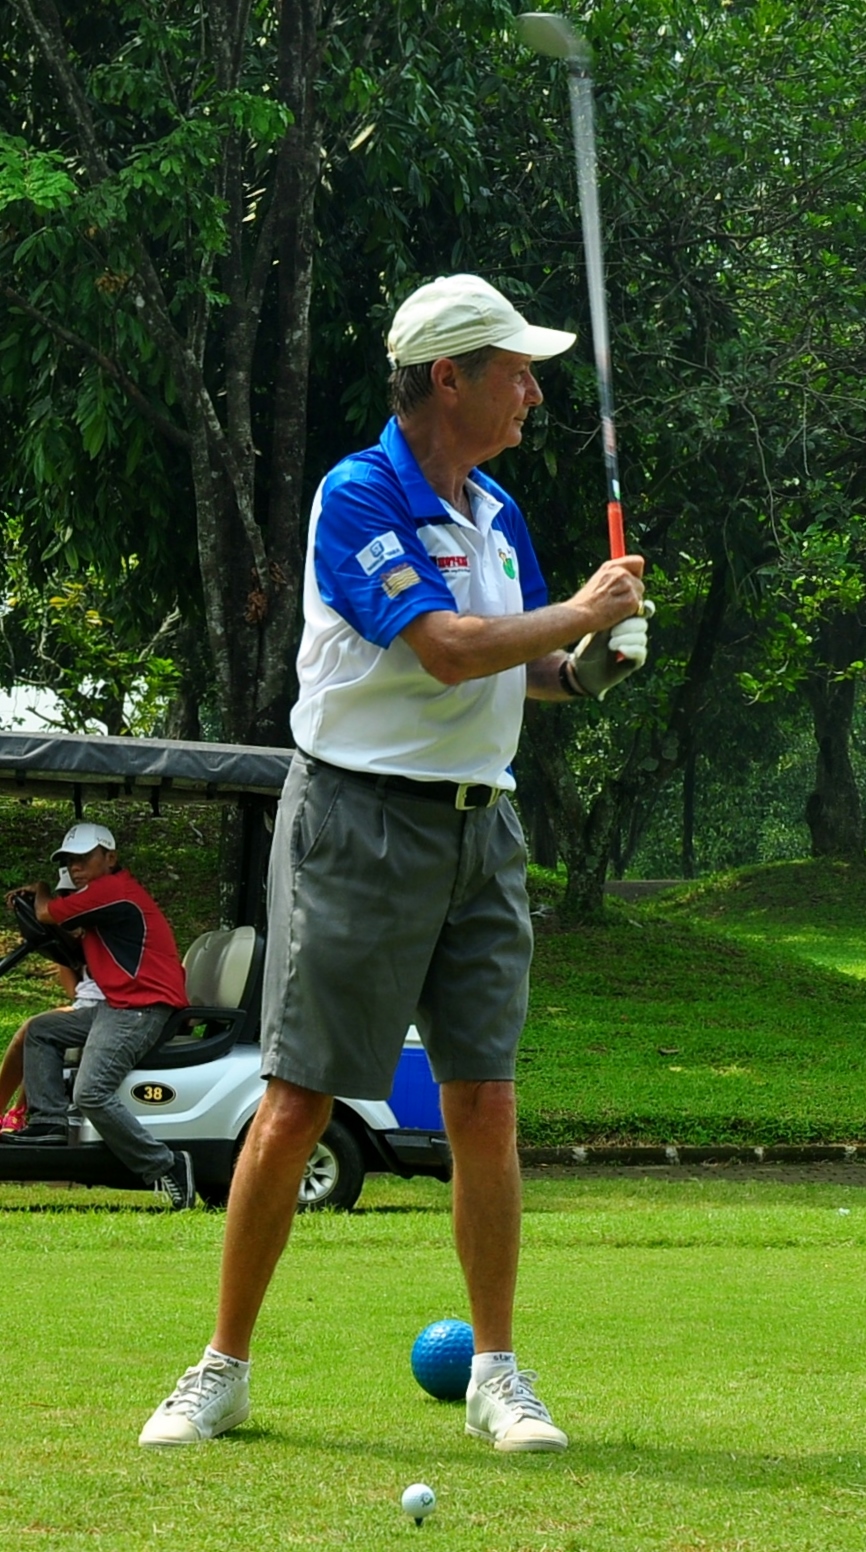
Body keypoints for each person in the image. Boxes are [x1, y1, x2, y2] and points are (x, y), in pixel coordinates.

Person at [140, 272, 651, 1448]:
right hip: (358, 823)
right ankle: (222, 1366)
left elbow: (523, 663)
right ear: (447, 379)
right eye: (514, 372)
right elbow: (447, 648)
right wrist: (579, 613)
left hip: (483, 828)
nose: (531, 393)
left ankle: (496, 1375)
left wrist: (590, 665)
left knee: (484, 1098)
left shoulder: (494, 509)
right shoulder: (357, 493)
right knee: (298, 1098)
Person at [1, 822, 195, 1210]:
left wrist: (41, 888)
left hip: (142, 1007)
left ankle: (166, 1165)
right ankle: (48, 1123)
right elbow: (68, 944)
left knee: (91, 1092)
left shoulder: (112, 892)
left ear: (110, 857)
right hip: (118, 1005)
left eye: (84, 858)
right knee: (41, 1030)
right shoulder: (99, 902)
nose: (75, 868)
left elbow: (46, 912)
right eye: (69, 861)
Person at [0, 868, 105, 1132]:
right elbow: (75, 992)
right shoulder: (77, 941)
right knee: (40, 1029)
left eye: (71, 896)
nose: (65, 903)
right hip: (91, 1004)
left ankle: (20, 1112)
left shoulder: (102, 928)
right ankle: (17, 1111)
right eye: (63, 896)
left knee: (34, 1030)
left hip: (110, 1009)